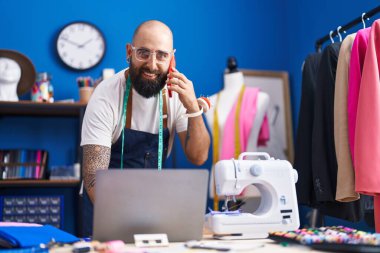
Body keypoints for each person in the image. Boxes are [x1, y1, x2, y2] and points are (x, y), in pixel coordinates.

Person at [80, 20, 210, 236]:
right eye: (143, 53)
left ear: (172, 58)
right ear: (129, 52)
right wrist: (124, 223)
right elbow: (94, 177)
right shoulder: (106, 95)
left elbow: (198, 157)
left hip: (152, 208)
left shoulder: (176, 94)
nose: (152, 64)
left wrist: (193, 108)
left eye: (161, 55)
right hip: (103, 207)